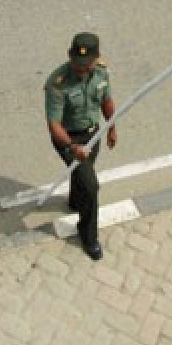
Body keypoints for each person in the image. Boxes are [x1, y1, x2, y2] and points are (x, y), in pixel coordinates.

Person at [44, 33, 117, 260]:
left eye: (86, 65)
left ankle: (75, 201)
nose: (81, 69)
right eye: (77, 63)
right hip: (68, 139)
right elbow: (54, 125)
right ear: (69, 55)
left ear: (97, 59)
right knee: (92, 187)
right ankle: (88, 235)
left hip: (92, 136)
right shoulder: (57, 83)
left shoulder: (102, 73)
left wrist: (112, 128)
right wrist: (71, 146)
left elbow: (106, 101)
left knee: (82, 179)